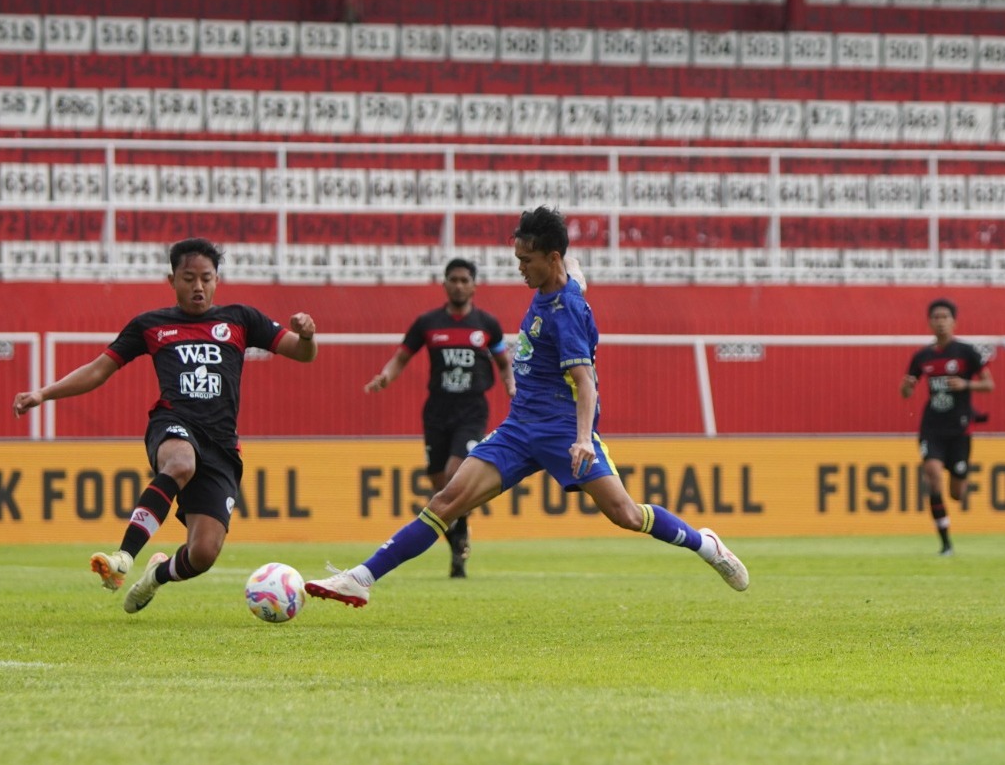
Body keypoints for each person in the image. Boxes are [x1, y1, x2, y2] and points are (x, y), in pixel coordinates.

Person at [305, 206, 747, 608]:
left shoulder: (565, 312)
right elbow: (575, 270)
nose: (519, 269)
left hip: (561, 431)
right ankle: (361, 578)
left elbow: (585, 382)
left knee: (626, 515)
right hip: (519, 429)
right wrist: (573, 271)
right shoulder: (561, 277)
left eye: (526, 261)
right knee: (446, 500)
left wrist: (581, 440)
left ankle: (705, 544)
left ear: (550, 257)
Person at [12, 238, 317, 614]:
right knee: (180, 463)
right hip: (173, 423)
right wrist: (44, 393)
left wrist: (307, 335)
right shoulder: (151, 326)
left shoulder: (240, 319)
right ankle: (124, 557)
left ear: (217, 280)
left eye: (206, 278)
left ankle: (155, 575)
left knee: (203, 554)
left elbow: (302, 354)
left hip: (221, 446)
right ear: (171, 279)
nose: (198, 287)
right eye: (188, 278)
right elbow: (98, 369)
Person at [365, 257, 516, 578]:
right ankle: (459, 537)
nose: (459, 285)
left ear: (474, 285)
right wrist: (385, 377)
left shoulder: (486, 325)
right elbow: (402, 357)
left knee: (453, 473)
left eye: (465, 280)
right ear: (445, 283)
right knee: (437, 483)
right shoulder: (428, 323)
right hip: (437, 412)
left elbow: (504, 363)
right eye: (454, 279)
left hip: (472, 411)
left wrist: (511, 385)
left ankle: (458, 535)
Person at [899, 298, 994, 556]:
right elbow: (906, 392)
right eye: (936, 317)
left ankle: (961, 475)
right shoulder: (922, 356)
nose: (940, 322)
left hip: (960, 429)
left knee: (957, 493)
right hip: (932, 428)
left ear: (953, 321)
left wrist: (966, 385)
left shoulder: (966, 352)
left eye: (945, 317)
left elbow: (989, 385)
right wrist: (906, 386)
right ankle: (945, 543)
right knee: (933, 477)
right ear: (929, 322)